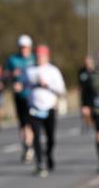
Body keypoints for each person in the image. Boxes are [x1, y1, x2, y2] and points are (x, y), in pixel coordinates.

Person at [22, 44, 66, 176]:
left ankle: (49, 155)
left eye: (42, 55)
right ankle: (40, 163)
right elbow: (23, 86)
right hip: (34, 108)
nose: (39, 58)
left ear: (47, 56)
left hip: (49, 108)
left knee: (50, 137)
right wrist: (20, 87)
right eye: (38, 55)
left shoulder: (53, 71)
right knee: (36, 135)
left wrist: (47, 84)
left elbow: (61, 90)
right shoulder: (29, 70)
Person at [5, 35, 35, 162]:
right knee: (23, 124)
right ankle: (26, 146)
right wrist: (12, 76)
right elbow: (5, 76)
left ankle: (30, 146)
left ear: (30, 47)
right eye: (21, 47)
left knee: (31, 123)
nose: (24, 50)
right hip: (19, 96)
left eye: (26, 47)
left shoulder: (35, 59)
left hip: (33, 96)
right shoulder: (13, 60)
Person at [78, 55, 95, 133]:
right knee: (85, 112)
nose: (88, 63)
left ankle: (95, 125)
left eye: (89, 61)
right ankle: (88, 124)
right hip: (85, 95)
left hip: (94, 95)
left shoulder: (95, 71)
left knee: (94, 112)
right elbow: (80, 83)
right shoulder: (81, 71)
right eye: (86, 61)